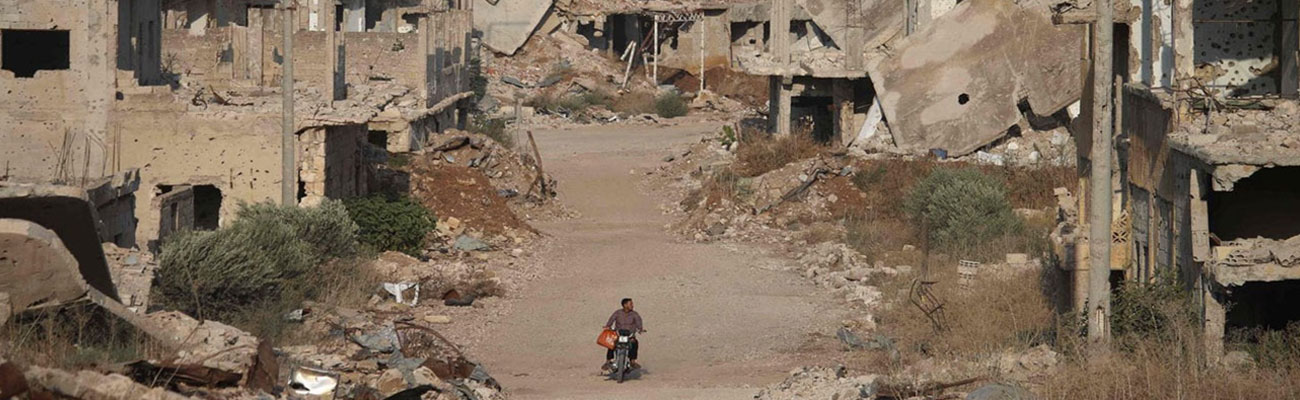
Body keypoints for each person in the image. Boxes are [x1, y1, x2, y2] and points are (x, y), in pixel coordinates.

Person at [601, 298, 644, 370]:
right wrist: (608, 326)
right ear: (625, 305)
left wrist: (640, 329)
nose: (632, 305)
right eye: (630, 304)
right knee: (611, 343)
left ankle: (632, 361)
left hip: (629, 335)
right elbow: (612, 319)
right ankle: (608, 361)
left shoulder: (634, 314)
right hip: (618, 334)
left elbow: (638, 322)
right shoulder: (618, 313)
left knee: (634, 343)